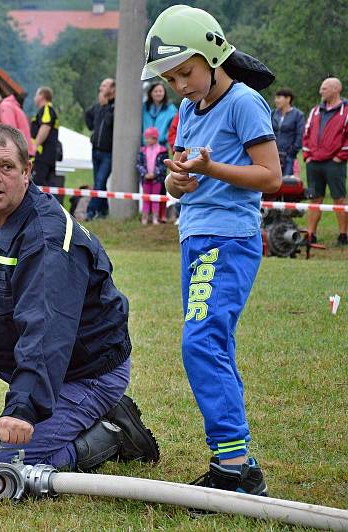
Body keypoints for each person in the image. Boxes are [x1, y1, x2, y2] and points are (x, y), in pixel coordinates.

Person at [0, 124, 159, 472]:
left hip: (84, 370)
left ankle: (111, 433)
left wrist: (21, 409)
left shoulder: (47, 239)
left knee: (4, 462)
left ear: (27, 172)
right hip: (39, 352)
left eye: (6, 167)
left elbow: (48, 331)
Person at [142, 4, 281, 494]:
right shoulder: (186, 108)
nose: (180, 85)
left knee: (199, 344)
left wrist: (211, 168)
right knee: (213, 344)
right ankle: (240, 464)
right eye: (170, 77)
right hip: (195, 237)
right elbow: (181, 184)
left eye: (186, 72)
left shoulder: (244, 102)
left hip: (229, 239)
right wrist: (176, 178)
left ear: (213, 53)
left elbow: (271, 176)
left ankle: (233, 468)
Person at [302, 77, 348, 245]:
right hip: (313, 162)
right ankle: (310, 234)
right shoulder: (315, 111)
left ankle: (343, 235)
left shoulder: (346, 111)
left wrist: (339, 157)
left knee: (339, 199)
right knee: (314, 199)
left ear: (336, 89)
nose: (321, 91)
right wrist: (307, 156)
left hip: (335, 163)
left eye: (324, 88)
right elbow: (306, 134)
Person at [83, 78, 115, 219]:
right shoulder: (99, 106)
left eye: (104, 86)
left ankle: (90, 212)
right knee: (99, 183)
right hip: (95, 150)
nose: (100, 88)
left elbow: (109, 122)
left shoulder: (114, 106)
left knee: (100, 182)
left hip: (108, 153)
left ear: (112, 89)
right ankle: (104, 211)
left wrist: (106, 106)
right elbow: (88, 118)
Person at [30, 87, 62, 196]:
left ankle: (41, 211)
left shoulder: (46, 109)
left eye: (36, 95)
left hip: (42, 155)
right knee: (47, 186)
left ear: (42, 96)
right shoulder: (48, 110)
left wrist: (35, 145)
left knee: (38, 185)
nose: (34, 98)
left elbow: (45, 127)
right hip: (48, 156)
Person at [0, 91, 34, 155]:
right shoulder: (9, 105)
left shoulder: (4, 107)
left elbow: (10, 130)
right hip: (23, 148)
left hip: (20, 151)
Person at [136, 127, 167, 225]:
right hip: (146, 179)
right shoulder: (143, 150)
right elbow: (138, 164)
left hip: (157, 180)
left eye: (148, 138)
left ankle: (155, 218)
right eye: (146, 138)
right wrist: (145, 174)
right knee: (146, 199)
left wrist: (154, 174)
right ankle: (144, 218)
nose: (146, 140)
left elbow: (164, 165)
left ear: (155, 138)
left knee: (155, 199)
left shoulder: (162, 151)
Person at [272, 88, 305, 177]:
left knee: (287, 183)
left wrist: (292, 152)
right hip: (273, 155)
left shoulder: (298, 115)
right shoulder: (273, 113)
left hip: (289, 156)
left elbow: (300, 135)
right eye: (275, 98)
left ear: (288, 99)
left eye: (279, 98)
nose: (276, 100)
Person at [142, 82, 177, 149]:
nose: (158, 93)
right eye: (155, 91)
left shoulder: (171, 109)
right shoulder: (144, 107)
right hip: (146, 146)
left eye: (160, 91)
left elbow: (173, 127)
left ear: (164, 93)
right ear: (150, 93)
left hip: (162, 146)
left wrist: (166, 138)